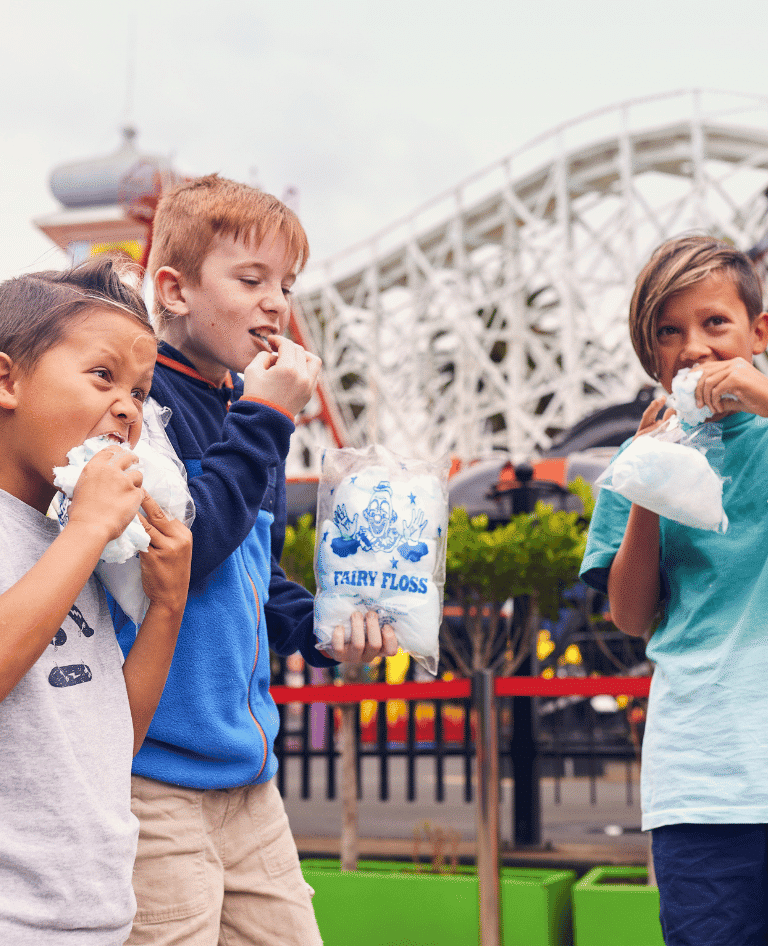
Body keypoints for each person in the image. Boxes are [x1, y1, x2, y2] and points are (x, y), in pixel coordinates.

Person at [116, 174, 399, 946]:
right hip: (154, 777)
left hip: (249, 775)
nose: (277, 302)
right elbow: (187, 555)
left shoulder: (248, 407)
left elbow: (255, 572)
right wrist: (268, 414)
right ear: (172, 289)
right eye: (250, 280)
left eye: (286, 283)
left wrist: (323, 630)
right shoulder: (136, 407)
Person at [580, 233, 768, 946]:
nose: (694, 347)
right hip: (703, 780)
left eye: (714, 323)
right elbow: (631, 616)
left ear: (759, 332)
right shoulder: (637, 463)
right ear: (651, 355)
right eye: (669, 332)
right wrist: (651, 487)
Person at [0, 256, 193, 945]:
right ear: (6, 379)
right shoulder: (78, 535)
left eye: (140, 392)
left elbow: (114, 739)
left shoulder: (82, 540)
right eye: (102, 375)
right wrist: (86, 531)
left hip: (97, 914)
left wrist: (166, 608)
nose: (126, 407)